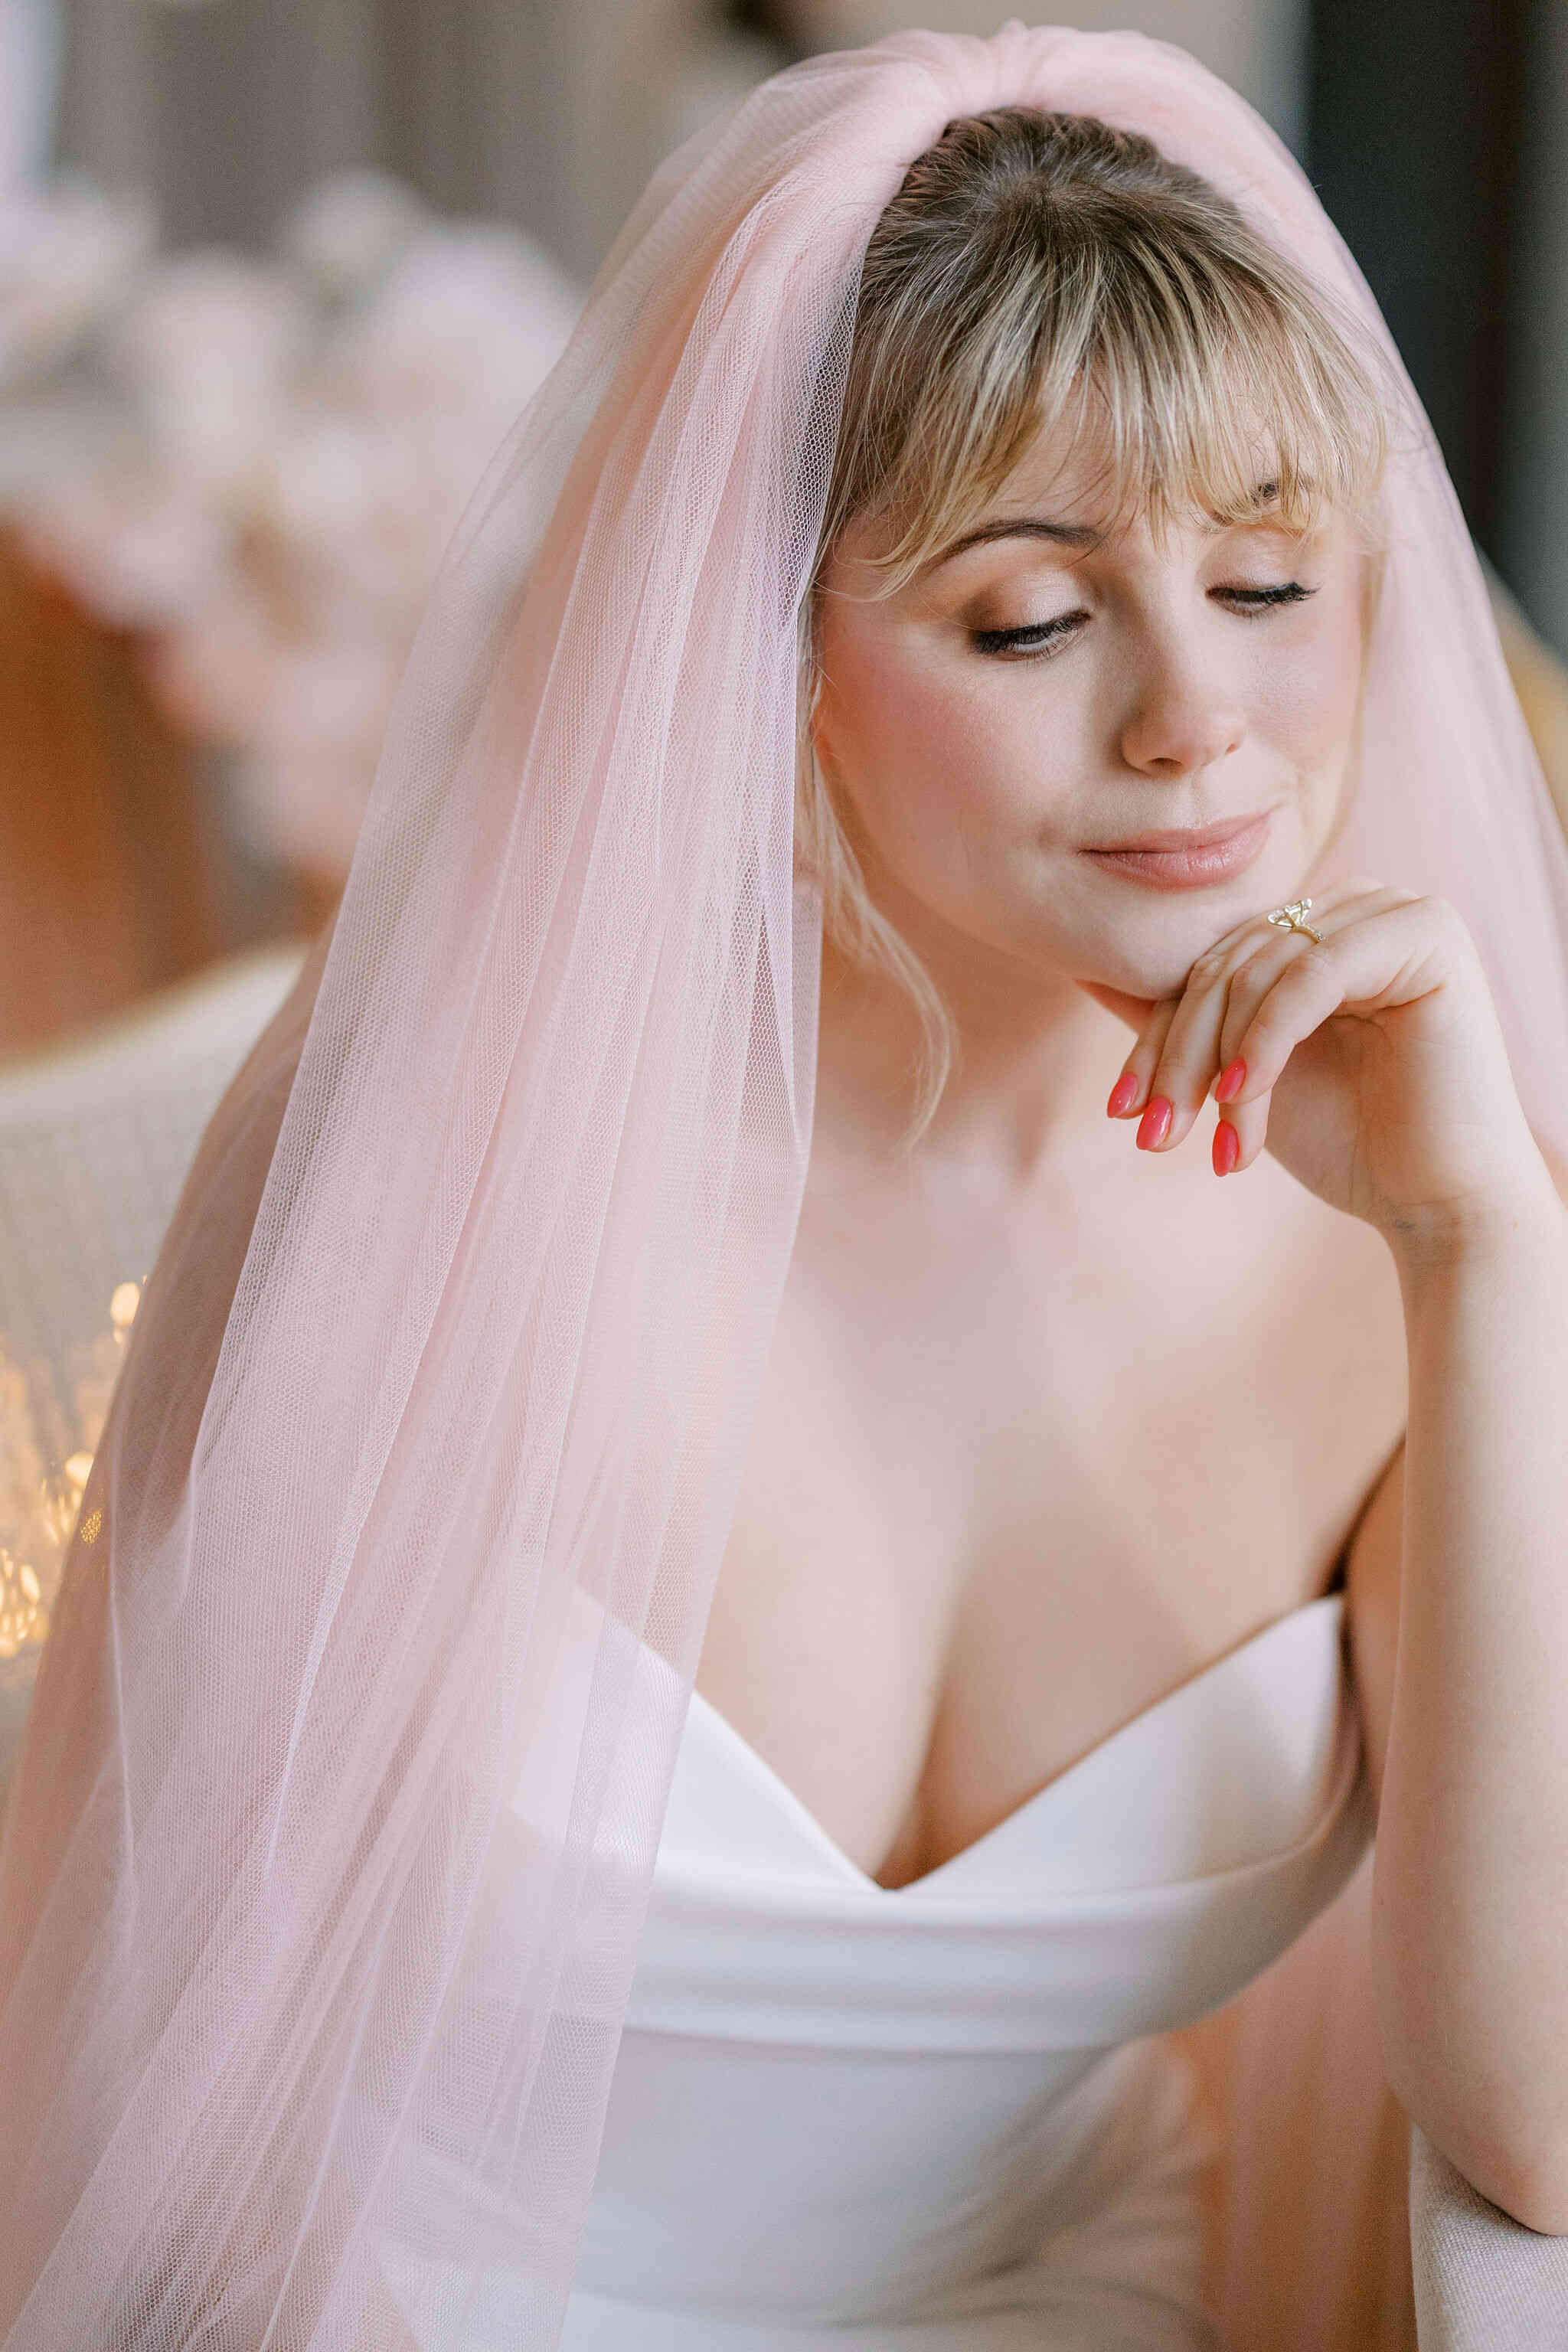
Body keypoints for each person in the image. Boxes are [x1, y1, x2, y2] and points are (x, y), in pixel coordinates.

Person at [2, 24, 1567, 2352]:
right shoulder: (444, 1157)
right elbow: (156, 2032)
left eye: (1269, 581)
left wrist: (1489, 1252)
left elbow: (1534, 2125)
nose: (1193, 723)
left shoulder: (1415, 1229)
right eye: (1031, 618)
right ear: (766, 655)